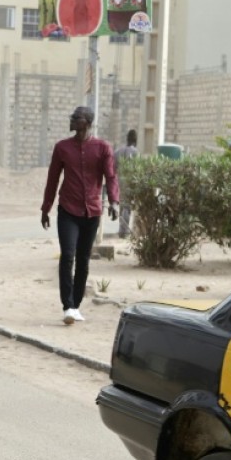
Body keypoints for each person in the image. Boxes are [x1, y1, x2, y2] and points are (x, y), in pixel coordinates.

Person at [41, 106, 120, 325]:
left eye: (77, 118)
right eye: (73, 117)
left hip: (92, 212)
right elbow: (53, 179)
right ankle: (67, 306)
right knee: (68, 255)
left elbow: (110, 177)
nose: (73, 121)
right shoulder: (62, 148)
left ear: (88, 123)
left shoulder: (103, 148)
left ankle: (75, 306)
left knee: (83, 259)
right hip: (68, 210)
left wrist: (114, 201)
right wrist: (46, 208)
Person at [114, 129, 139, 239]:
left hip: (119, 182)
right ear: (135, 140)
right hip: (130, 182)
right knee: (127, 207)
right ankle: (124, 231)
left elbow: (113, 167)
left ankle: (121, 229)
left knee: (122, 205)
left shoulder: (118, 151)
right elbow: (138, 169)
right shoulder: (135, 152)